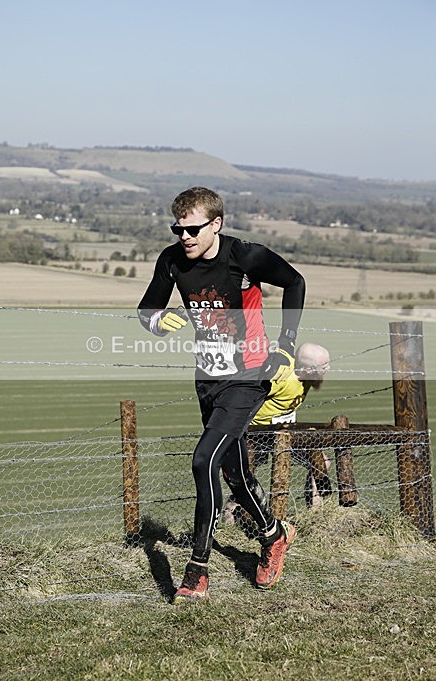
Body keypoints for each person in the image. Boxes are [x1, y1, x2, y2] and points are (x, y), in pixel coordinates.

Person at [137, 186, 305, 603]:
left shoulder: (244, 256)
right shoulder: (172, 260)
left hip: (249, 377)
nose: (185, 237)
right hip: (207, 379)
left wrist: (285, 345)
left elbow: (295, 282)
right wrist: (160, 324)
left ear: (216, 224)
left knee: (202, 460)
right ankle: (273, 534)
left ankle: (197, 570)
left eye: (193, 229)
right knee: (232, 471)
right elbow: (147, 310)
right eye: (178, 229)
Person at [224, 342, 331, 525]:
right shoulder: (279, 376)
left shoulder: (306, 376)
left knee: (322, 462)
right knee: (245, 477)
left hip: (285, 433)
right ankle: (230, 519)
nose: (329, 369)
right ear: (306, 368)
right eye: (324, 366)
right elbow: (248, 393)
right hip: (257, 434)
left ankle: (315, 516)